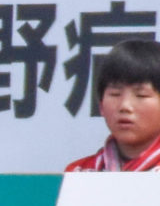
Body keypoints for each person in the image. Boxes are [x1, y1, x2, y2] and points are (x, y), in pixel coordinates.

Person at [65, 39, 160, 172]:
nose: (125, 106)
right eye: (115, 94)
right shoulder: (79, 172)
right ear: (101, 105)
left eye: (141, 95)